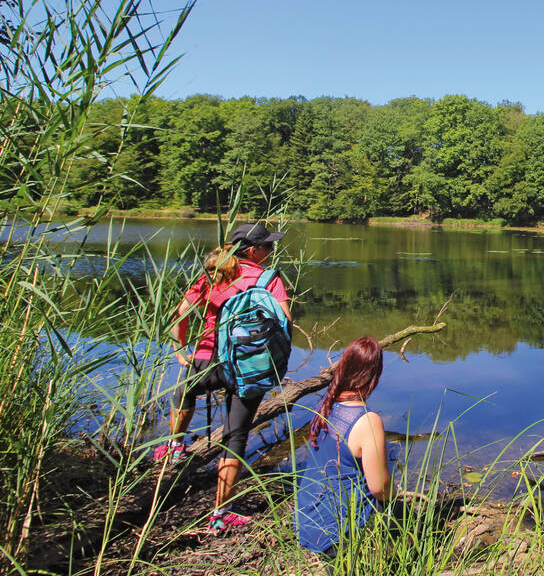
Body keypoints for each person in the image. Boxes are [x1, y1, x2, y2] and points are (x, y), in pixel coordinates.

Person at [154, 221, 292, 534]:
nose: (271, 251)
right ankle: (219, 514)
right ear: (254, 250)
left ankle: (175, 446)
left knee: (184, 390)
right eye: (268, 246)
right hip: (248, 366)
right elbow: (285, 322)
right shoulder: (269, 279)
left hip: (207, 359)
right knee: (236, 436)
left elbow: (181, 312)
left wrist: (180, 349)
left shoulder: (215, 273)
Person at [295, 336, 394, 554]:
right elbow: (379, 489)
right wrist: (395, 495)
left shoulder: (325, 404)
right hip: (337, 533)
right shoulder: (368, 421)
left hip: (307, 520)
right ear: (374, 375)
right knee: (389, 503)